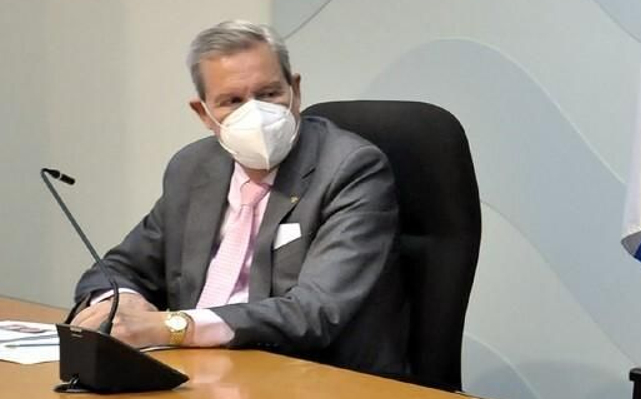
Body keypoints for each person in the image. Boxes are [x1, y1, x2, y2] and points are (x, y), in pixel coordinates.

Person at [67, 20, 408, 376]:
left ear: (295, 90)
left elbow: (315, 311)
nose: (257, 114)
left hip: (309, 382)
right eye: (233, 101)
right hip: (197, 377)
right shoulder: (193, 168)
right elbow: (117, 269)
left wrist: (169, 327)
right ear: (204, 114)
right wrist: (123, 305)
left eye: (270, 94)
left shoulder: (349, 168)